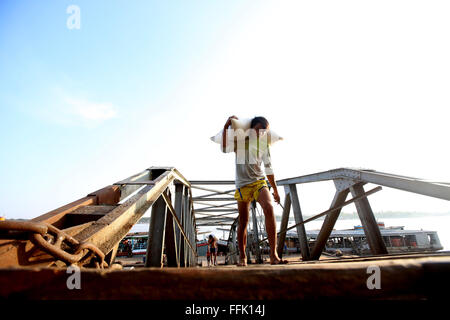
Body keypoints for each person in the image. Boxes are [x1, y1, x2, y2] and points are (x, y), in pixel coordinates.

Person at [222, 115, 288, 266]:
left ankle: (274, 255)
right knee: (243, 221)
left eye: (264, 132)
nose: (261, 134)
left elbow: (269, 168)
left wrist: (276, 191)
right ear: (251, 129)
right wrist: (226, 126)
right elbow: (225, 147)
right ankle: (242, 257)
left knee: (269, 207)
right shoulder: (240, 141)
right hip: (242, 185)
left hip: (259, 181)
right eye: (258, 130)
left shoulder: (264, 145)